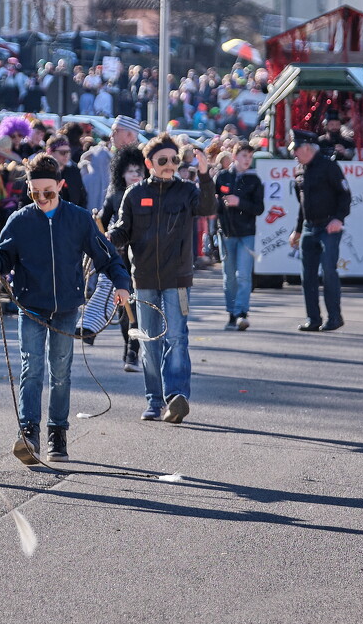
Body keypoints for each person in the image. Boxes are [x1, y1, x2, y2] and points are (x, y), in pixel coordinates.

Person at [0, 153, 131, 464]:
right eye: (34, 192)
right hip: (31, 305)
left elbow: (108, 258)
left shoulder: (79, 219)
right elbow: (3, 253)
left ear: (61, 186)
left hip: (66, 307)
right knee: (31, 368)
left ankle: (57, 432)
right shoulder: (20, 220)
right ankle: (28, 433)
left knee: (61, 372)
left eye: (48, 192)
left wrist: (122, 284)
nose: (41, 198)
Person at [109, 133, 215, 423]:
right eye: (163, 161)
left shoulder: (187, 190)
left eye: (174, 160)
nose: (170, 165)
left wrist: (205, 174)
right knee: (149, 342)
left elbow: (208, 208)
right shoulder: (134, 194)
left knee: (177, 338)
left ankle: (176, 397)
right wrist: (106, 237)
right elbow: (122, 231)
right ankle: (154, 401)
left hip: (178, 278)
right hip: (143, 280)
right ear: (149, 163)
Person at [287, 130, 352, 333]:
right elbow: (302, 204)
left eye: (296, 149)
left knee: (329, 271)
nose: (294, 154)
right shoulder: (300, 170)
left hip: (328, 227)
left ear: (307, 148)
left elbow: (345, 196)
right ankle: (313, 318)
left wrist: (338, 219)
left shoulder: (329, 167)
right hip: (309, 226)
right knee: (307, 275)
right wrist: (297, 230)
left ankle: (335, 317)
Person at [98, 145, 146, 371]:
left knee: (140, 307)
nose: (135, 175)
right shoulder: (114, 197)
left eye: (139, 170)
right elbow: (100, 228)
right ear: (121, 173)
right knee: (125, 309)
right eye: (130, 170)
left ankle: (134, 352)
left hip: (145, 259)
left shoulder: (150, 194)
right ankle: (130, 349)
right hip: (121, 262)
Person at [214, 142, 264, 331]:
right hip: (226, 232)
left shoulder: (254, 180)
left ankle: (241, 312)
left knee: (243, 275)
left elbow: (259, 208)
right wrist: (218, 203)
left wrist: (239, 202)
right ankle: (231, 313)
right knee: (229, 276)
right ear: (235, 157)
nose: (247, 160)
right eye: (244, 156)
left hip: (246, 233)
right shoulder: (222, 177)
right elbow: (213, 203)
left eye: (250, 157)